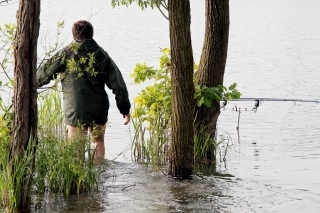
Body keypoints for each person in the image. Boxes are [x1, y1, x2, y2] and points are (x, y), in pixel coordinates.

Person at [37, 20, 131, 164]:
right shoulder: (102, 54)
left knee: (75, 147)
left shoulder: (65, 53)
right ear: (92, 34)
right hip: (98, 108)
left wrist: (30, 84)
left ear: (73, 35)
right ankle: (98, 177)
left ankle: (78, 184)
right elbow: (118, 83)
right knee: (98, 142)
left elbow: (43, 74)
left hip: (75, 109)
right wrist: (124, 108)